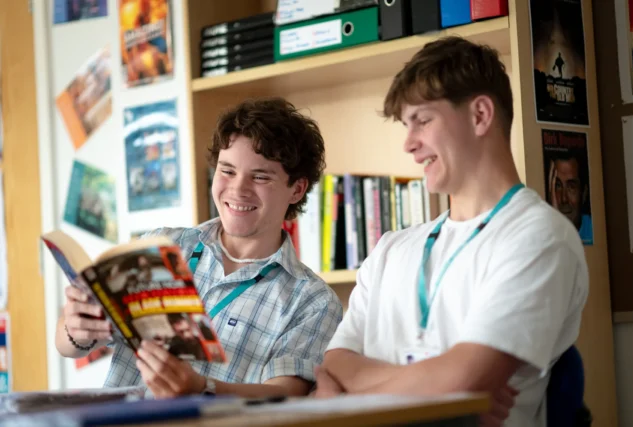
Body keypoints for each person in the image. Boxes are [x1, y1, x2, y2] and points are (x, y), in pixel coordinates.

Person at [315, 36, 589, 427]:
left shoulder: (540, 237)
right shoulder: (391, 249)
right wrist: (437, 394)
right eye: (406, 126)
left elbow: (463, 378)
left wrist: (352, 392)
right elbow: (331, 366)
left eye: (422, 121)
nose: (409, 144)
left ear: (479, 115)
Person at [55, 97, 343, 399]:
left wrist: (202, 388)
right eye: (227, 170)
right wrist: (75, 328)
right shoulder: (161, 246)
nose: (237, 189)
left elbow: (285, 395)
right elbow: (66, 345)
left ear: (297, 189)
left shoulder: (313, 301)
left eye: (259, 176)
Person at [547, 153, 593, 245]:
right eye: (557, 186)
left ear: (584, 193)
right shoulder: (543, 233)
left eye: (571, 187)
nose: (564, 199)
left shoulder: (594, 230)